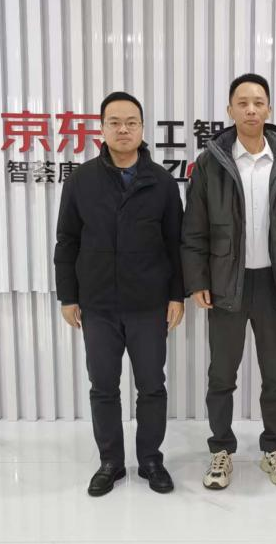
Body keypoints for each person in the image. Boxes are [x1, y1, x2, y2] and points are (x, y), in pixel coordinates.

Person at [181, 73, 276, 490]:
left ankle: (274, 448)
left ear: (269, 109)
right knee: (222, 374)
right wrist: (197, 280)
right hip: (227, 284)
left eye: (259, 102)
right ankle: (221, 450)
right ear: (230, 110)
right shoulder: (211, 162)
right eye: (242, 103)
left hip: (273, 284)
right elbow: (194, 229)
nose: (251, 109)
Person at [54, 91, 184, 496]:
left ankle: (150, 460)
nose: (123, 129)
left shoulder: (162, 182)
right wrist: (68, 296)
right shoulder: (82, 180)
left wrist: (177, 296)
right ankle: (110, 462)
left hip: (148, 304)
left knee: (151, 386)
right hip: (98, 305)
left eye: (131, 122)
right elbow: (67, 240)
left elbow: (176, 244)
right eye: (114, 122)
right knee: (103, 387)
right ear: (102, 128)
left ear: (142, 128)